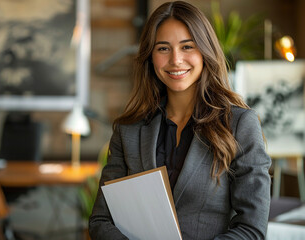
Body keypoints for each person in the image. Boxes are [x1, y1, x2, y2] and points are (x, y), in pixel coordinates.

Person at [89, 1, 271, 239]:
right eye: (163, 48)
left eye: (187, 47)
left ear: (205, 51)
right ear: (150, 56)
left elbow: (252, 229)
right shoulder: (128, 130)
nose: (175, 60)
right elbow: (100, 221)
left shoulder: (239, 124)